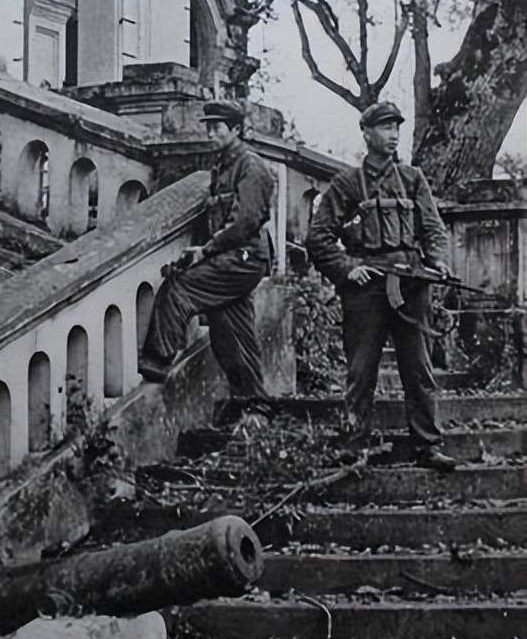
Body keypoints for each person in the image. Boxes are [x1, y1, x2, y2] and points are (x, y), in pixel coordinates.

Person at [306, 100, 458, 472]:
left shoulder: (412, 179)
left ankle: (427, 445)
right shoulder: (347, 184)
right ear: (367, 133)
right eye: (386, 128)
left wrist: (438, 260)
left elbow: (433, 228)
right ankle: (354, 445)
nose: (393, 135)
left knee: (418, 368)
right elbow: (318, 238)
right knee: (361, 370)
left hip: (410, 285)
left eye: (396, 128)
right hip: (367, 289)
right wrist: (347, 269)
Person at [138, 100, 276, 408]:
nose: (210, 133)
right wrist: (200, 250)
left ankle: (156, 361)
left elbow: (244, 223)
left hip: (244, 258)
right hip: (231, 257)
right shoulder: (222, 166)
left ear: (236, 129)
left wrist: (206, 251)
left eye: (217, 128)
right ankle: (252, 401)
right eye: (208, 127)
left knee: (178, 287)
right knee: (229, 332)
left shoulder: (251, 167)